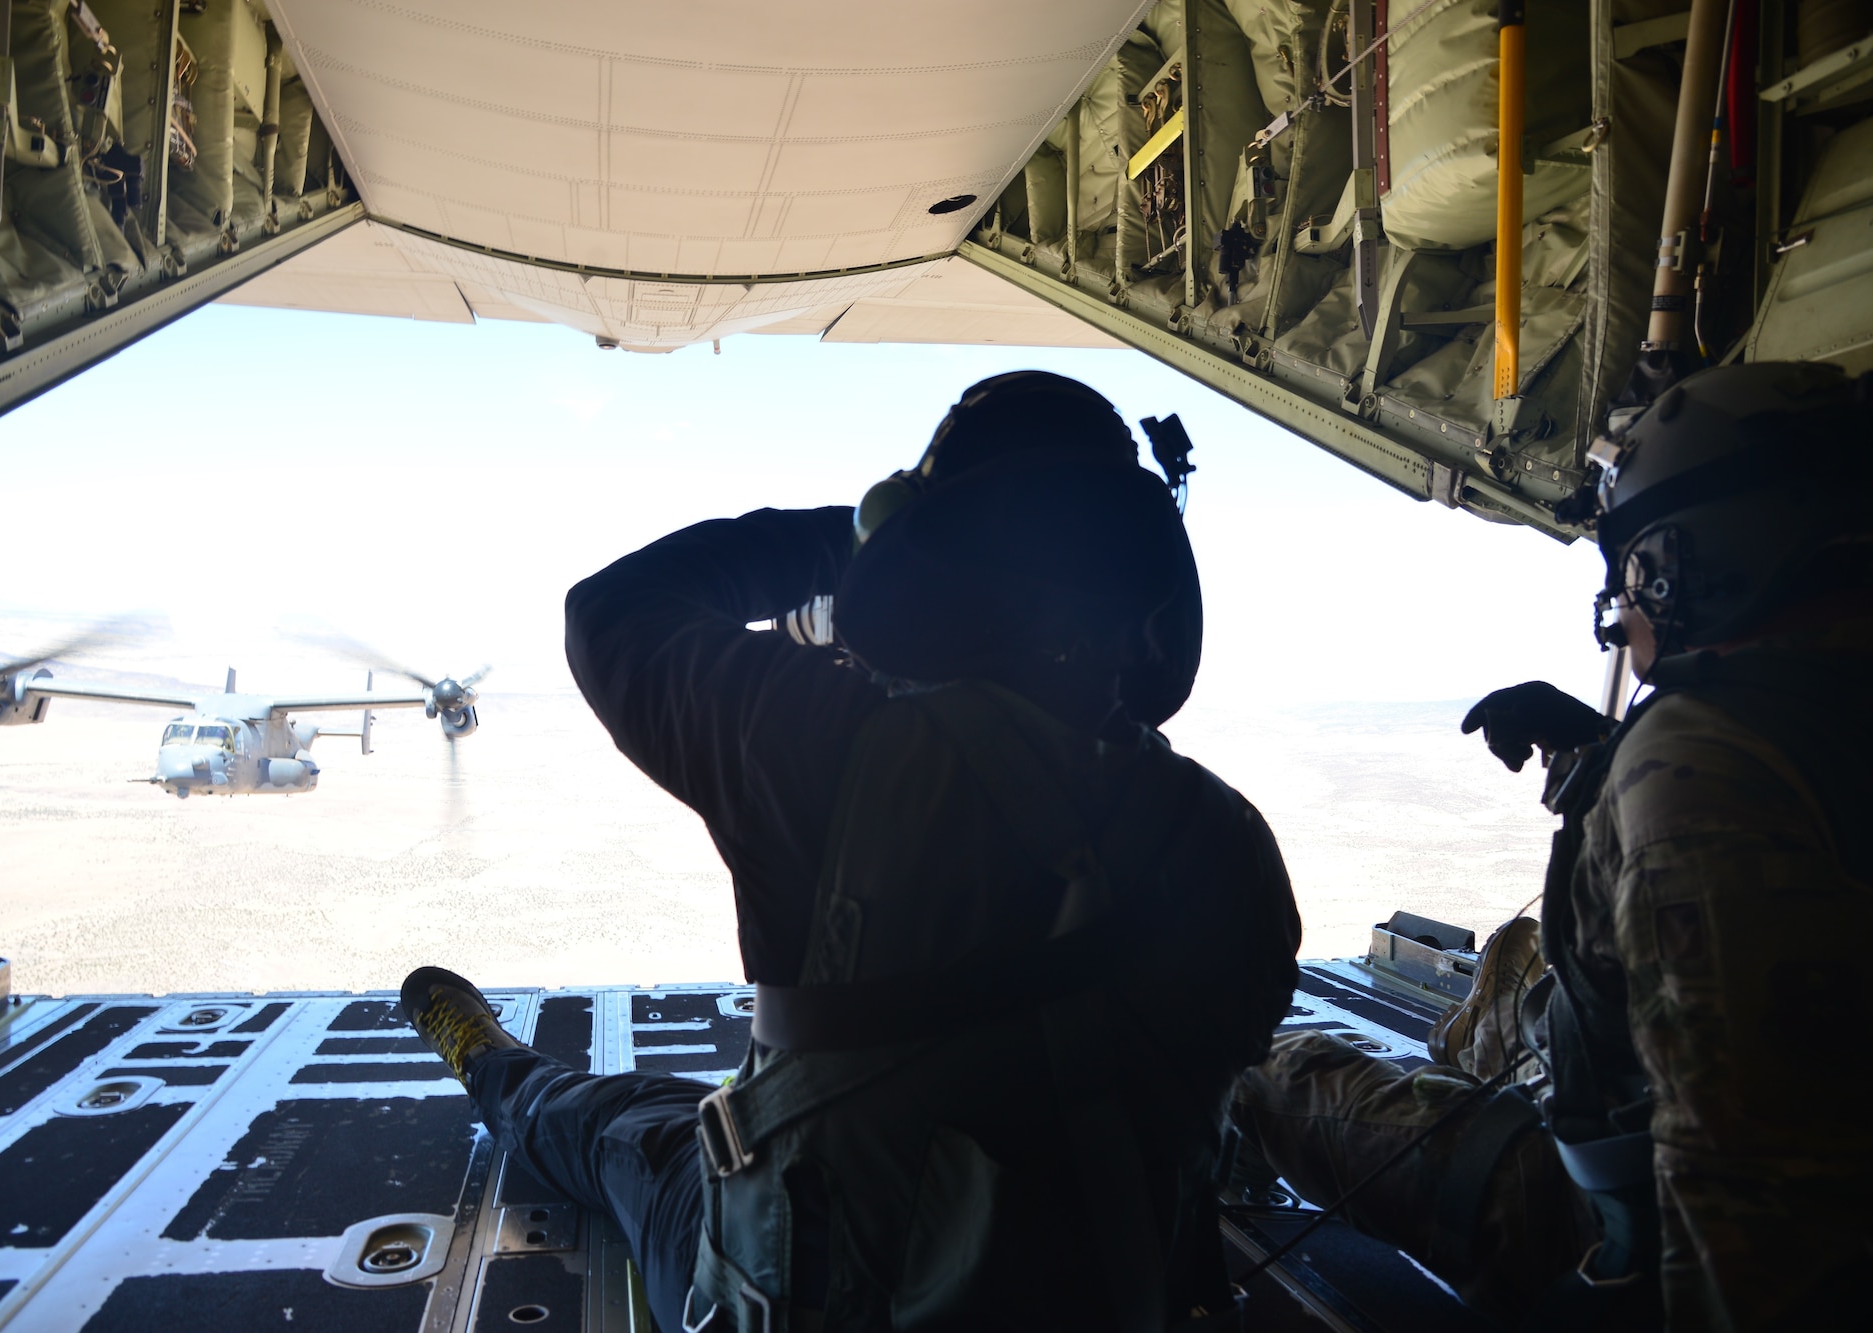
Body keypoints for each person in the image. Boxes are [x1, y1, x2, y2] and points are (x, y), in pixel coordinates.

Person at [399, 371, 1302, 1332]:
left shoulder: (826, 748)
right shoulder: (1234, 843)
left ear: (930, 566)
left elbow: (610, 612)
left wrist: (856, 546)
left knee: (631, 1128)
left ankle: (497, 1068)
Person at [1232, 360, 1872, 1331]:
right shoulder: (1796, 722)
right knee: (1509, 980)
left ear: (1672, 565)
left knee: (1257, 1060)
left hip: (1600, 1226)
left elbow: (1741, 1180)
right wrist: (1605, 765)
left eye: (1629, 574)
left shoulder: (1697, 762)